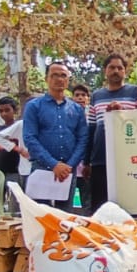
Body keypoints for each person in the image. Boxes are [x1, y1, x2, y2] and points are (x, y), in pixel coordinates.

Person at [24, 61, 90, 211]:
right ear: (46, 78)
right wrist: (54, 164)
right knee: (41, 216)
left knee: (65, 218)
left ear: (68, 80)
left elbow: (83, 139)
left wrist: (69, 165)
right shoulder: (34, 106)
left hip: (68, 171)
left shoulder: (76, 109)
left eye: (63, 76)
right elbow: (30, 138)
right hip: (42, 168)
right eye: (54, 75)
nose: (59, 79)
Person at [88, 54, 137, 211]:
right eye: (112, 67)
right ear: (105, 71)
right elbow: (91, 128)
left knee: (127, 205)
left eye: (120, 68)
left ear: (125, 71)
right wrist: (86, 161)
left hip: (127, 159)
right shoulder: (96, 96)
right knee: (100, 205)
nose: (116, 71)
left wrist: (121, 114)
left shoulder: (135, 92)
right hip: (101, 158)